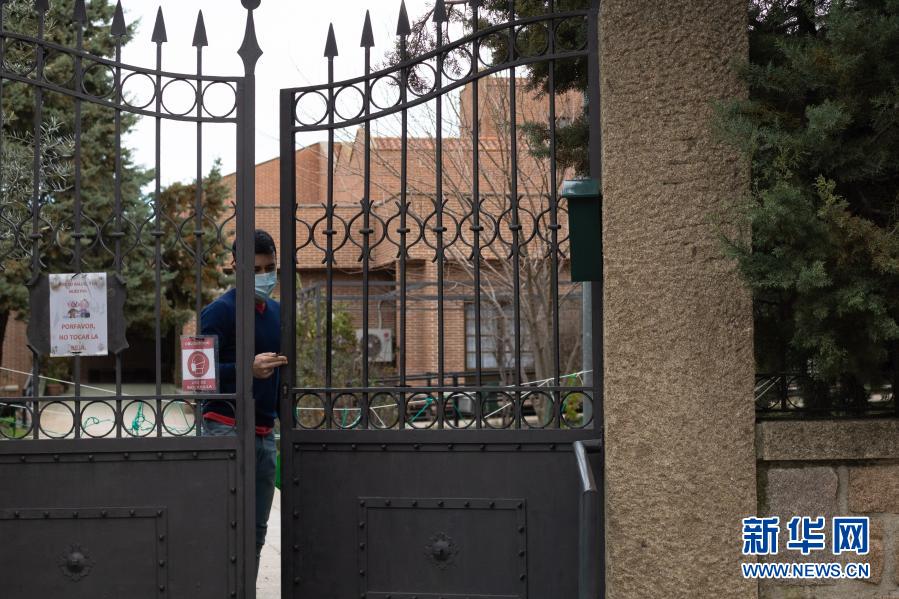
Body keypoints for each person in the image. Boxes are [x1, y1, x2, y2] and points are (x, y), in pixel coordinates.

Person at [200, 229, 288, 578]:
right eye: (256, 269)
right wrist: (245, 369)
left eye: (270, 268)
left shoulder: (278, 312)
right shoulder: (218, 312)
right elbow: (196, 377)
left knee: (256, 534)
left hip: (265, 435)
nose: (264, 276)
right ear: (236, 266)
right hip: (224, 429)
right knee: (223, 529)